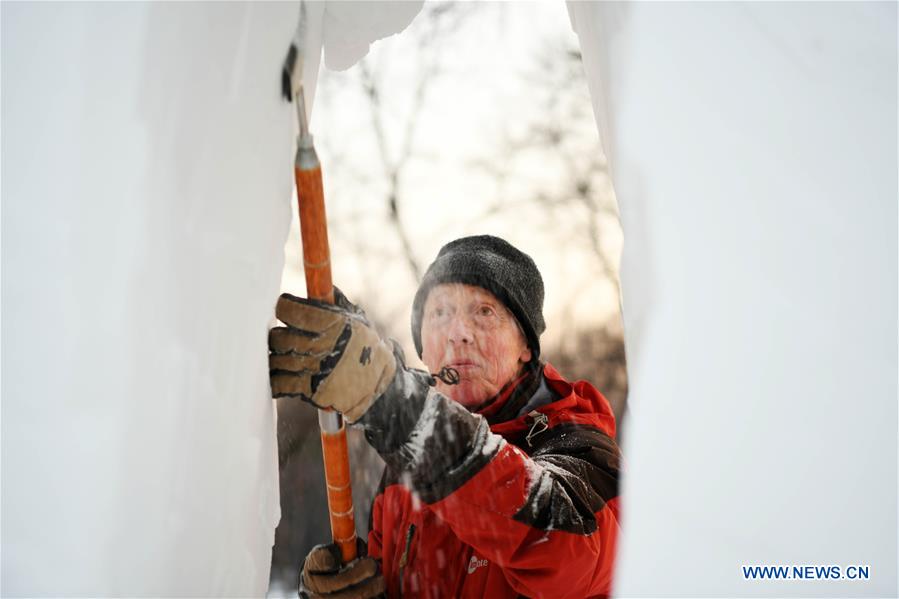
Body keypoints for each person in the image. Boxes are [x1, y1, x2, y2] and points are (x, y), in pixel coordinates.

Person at [269, 235, 622, 599]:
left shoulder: (576, 439)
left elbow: (568, 554)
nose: (458, 334)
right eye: (439, 313)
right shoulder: (405, 467)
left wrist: (396, 406)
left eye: (484, 312)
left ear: (526, 347)